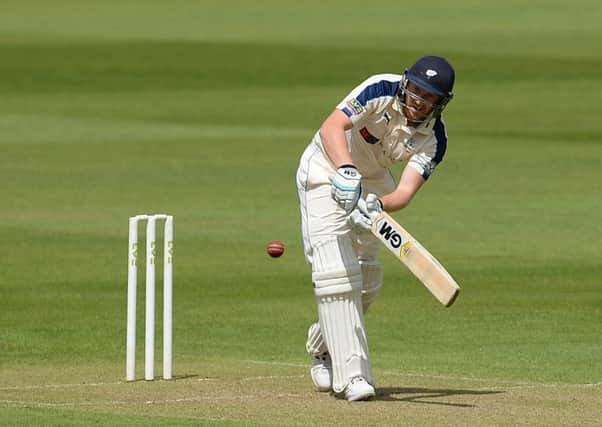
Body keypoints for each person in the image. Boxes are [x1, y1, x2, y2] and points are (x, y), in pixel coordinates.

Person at [295, 56, 455, 401]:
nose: (418, 101)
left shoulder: (434, 140)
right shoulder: (379, 88)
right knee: (336, 272)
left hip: (375, 186)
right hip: (327, 170)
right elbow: (332, 127)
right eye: (415, 91)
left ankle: (322, 345)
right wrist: (347, 172)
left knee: (366, 280)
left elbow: (404, 192)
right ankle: (353, 377)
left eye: (428, 98)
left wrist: (378, 204)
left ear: (440, 103)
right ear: (405, 83)